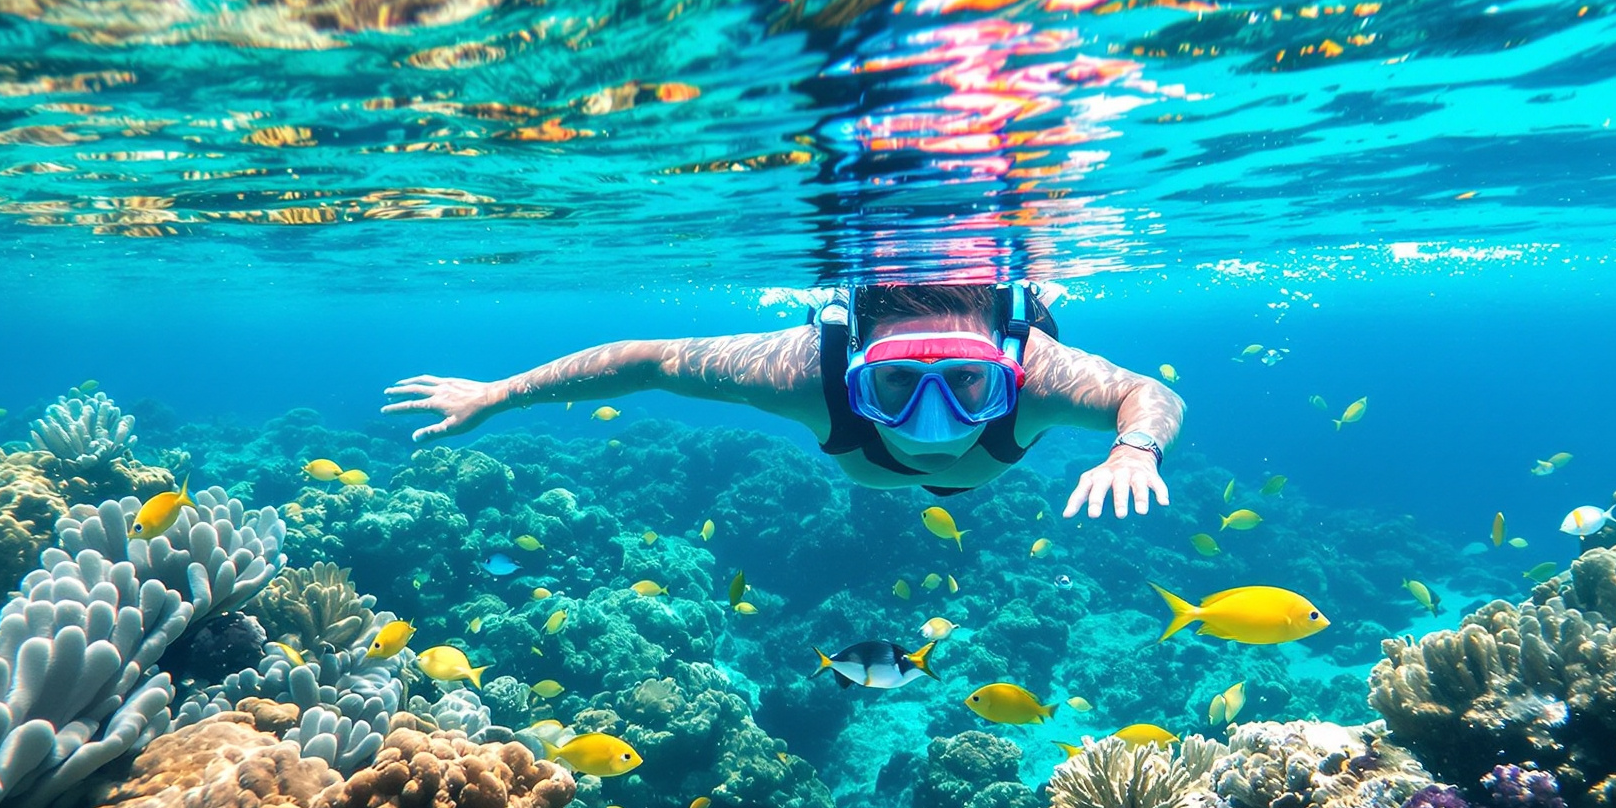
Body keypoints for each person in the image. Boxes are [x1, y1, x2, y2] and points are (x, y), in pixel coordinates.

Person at [384, 282, 1181, 516]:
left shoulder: (1041, 374)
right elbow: (649, 360)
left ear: (1007, 367)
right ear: (853, 367)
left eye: (968, 383)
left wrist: (1133, 446)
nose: (932, 424)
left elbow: (1148, 392)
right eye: (895, 385)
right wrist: (498, 395)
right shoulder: (808, 370)